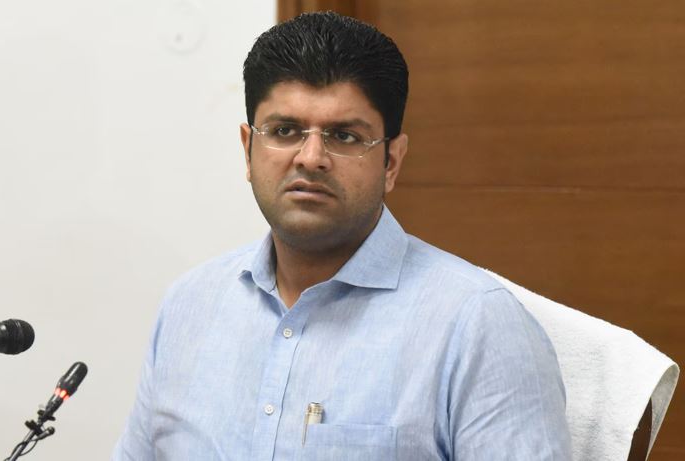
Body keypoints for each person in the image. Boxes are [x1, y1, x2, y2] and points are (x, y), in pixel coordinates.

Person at [112, 11, 572, 460]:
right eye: (285, 130)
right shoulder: (188, 306)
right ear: (248, 149)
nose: (310, 157)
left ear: (392, 162)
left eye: (344, 136)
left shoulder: (477, 325)